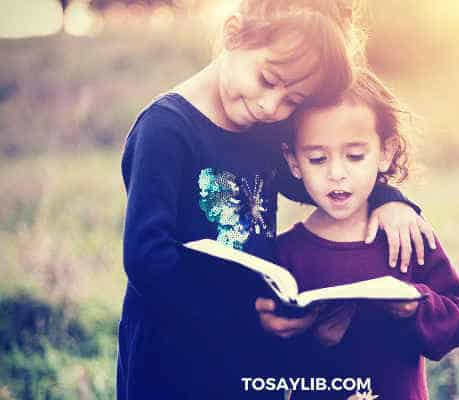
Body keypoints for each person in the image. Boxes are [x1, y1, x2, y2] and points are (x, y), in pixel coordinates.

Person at [117, 1, 436, 399]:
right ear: (235, 34)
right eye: (267, 79)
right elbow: (148, 259)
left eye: (292, 101)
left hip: (248, 358)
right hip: (173, 358)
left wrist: (389, 198)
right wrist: (246, 315)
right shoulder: (166, 129)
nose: (272, 106)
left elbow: (319, 184)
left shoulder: (260, 129)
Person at [261, 69, 459, 399]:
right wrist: (316, 342)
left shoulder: (407, 236)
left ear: (385, 153)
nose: (336, 174)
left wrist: (415, 307)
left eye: (355, 156)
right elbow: (268, 367)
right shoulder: (285, 254)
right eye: (317, 158)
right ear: (293, 161)